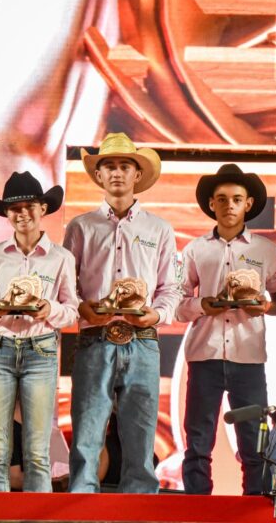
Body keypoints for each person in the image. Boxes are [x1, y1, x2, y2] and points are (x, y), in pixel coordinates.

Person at [64, 133, 181, 493]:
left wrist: (156, 316)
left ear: (136, 175)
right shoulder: (80, 226)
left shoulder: (158, 228)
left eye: (124, 166)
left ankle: (140, 508)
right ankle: (81, 509)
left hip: (142, 340)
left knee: (141, 436)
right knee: (86, 434)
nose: (116, 172)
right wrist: (83, 308)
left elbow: (171, 289)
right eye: (109, 166)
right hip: (94, 339)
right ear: (99, 176)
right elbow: (68, 286)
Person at [176, 164, 276, 495]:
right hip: (204, 354)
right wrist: (202, 305)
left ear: (248, 204)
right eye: (221, 199)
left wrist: (263, 306)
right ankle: (197, 511)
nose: (229, 205)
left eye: (236, 198)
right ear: (211, 204)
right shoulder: (195, 249)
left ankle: (255, 511)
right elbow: (179, 305)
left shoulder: (265, 249)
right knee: (197, 442)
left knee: (255, 443)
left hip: (248, 357)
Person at [0, 171, 78, 492]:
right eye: (14, 208)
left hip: (42, 350)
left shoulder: (61, 257)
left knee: (37, 452)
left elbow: (72, 309)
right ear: (6, 213)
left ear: (43, 209)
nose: (22, 214)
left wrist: (51, 310)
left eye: (29, 206)